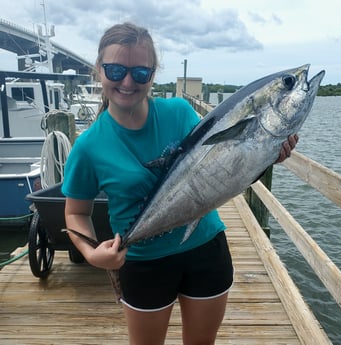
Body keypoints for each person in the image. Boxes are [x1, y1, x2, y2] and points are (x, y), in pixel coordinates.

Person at [62, 22, 298, 345]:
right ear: (98, 70)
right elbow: (75, 213)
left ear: (153, 74)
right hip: (144, 263)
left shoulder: (179, 111)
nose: (128, 82)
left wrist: (266, 154)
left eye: (140, 73)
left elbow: (223, 167)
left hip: (206, 249)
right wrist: (91, 254)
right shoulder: (88, 146)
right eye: (116, 70)